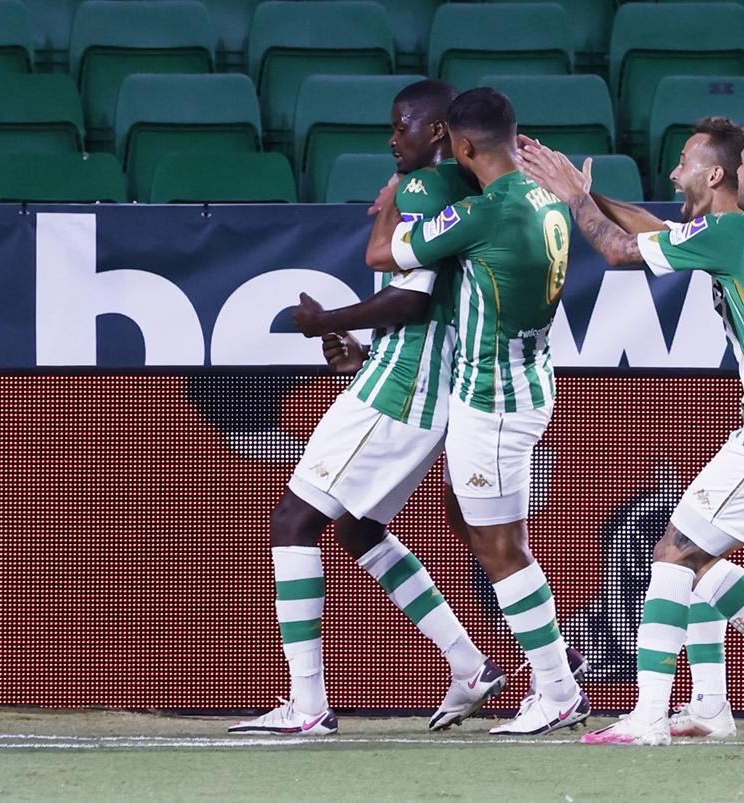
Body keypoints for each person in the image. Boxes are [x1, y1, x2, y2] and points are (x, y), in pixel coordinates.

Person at [523, 118, 744, 747]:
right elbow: (667, 234)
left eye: (742, 166)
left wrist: (575, 200)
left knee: (674, 554)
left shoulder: (736, 231)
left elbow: (622, 251)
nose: (735, 174)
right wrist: (586, 191)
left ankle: (648, 714)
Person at [228, 80, 504, 737]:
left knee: (292, 521)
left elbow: (411, 297)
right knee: (357, 530)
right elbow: (425, 302)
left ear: (438, 131)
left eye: (401, 124)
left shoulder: (428, 190)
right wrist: (360, 344)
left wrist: (328, 318)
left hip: (399, 390)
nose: (391, 136)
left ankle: (309, 704)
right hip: (415, 384)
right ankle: (468, 666)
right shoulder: (457, 195)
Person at [367, 87, 589, 735]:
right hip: (527, 379)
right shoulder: (545, 196)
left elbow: (384, 255)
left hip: (490, 399)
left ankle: (556, 688)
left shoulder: (485, 211)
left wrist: (390, 201)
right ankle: (557, 679)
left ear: (462, 147)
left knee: (501, 548)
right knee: (478, 524)